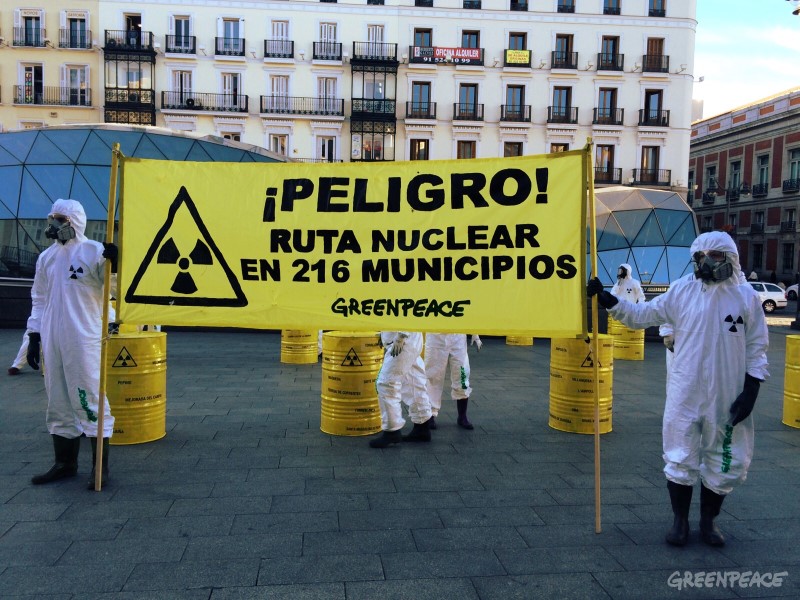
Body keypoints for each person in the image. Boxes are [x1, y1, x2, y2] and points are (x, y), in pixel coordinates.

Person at [588, 231, 769, 548]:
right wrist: (609, 301)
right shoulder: (682, 291)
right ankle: (680, 521)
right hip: (685, 391)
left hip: (728, 395)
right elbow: (644, 314)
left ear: (729, 258)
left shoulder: (746, 298)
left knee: (724, 459)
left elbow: (757, 348)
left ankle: (709, 522)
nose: (705, 263)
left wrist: (752, 387)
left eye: (713, 257)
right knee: (680, 455)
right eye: (700, 257)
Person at [26, 199, 118, 489]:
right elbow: (39, 298)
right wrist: (34, 334)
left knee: (88, 396)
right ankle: (65, 463)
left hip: (84, 336)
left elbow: (112, 288)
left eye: (61, 219)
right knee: (58, 398)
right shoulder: (47, 258)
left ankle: (99, 468)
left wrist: (114, 264)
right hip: (53, 337)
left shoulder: (93, 251)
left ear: (75, 221)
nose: (54, 224)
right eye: (52, 217)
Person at [368, 331, 432, 448]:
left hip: (403, 341)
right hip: (407, 340)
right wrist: (384, 334)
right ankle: (422, 426)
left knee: (386, 383)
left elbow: (407, 312)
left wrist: (401, 335)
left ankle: (392, 431)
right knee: (414, 381)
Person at [424, 333, 482, 430]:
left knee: (462, 375)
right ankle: (430, 415)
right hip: (435, 336)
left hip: (458, 337)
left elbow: (470, 316)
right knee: (433, 377)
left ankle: (462, 416)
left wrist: (475, 334)